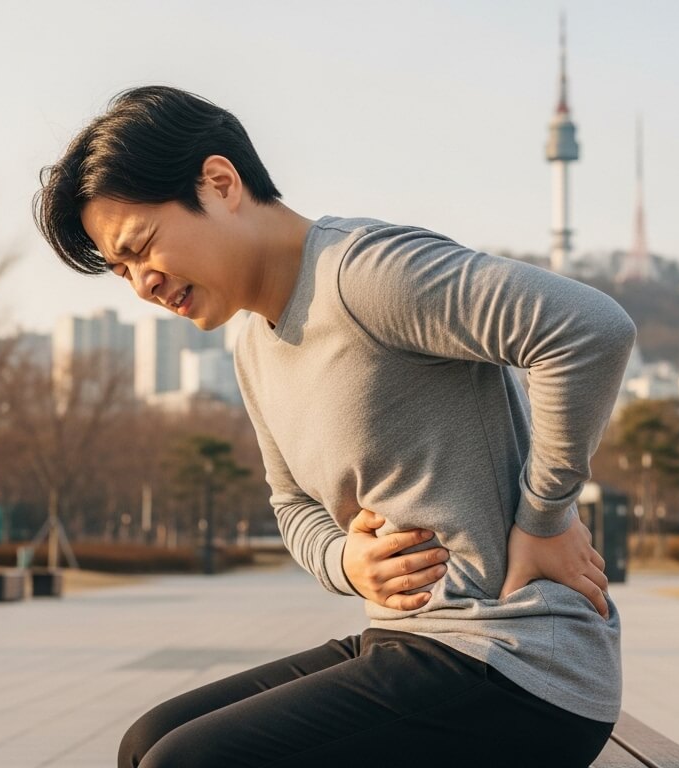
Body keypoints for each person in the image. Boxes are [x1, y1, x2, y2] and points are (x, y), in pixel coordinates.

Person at [35, 85, 636, 768]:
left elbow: (589, 330)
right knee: (145, 744)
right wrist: (346, 563)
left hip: (517, 663)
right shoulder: (252, 347)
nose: (143, 283)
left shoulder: (363, 273)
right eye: (122, 271)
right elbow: (291, 505)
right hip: (409, 642)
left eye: (141, 247)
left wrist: (545, 518)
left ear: (220, 182)